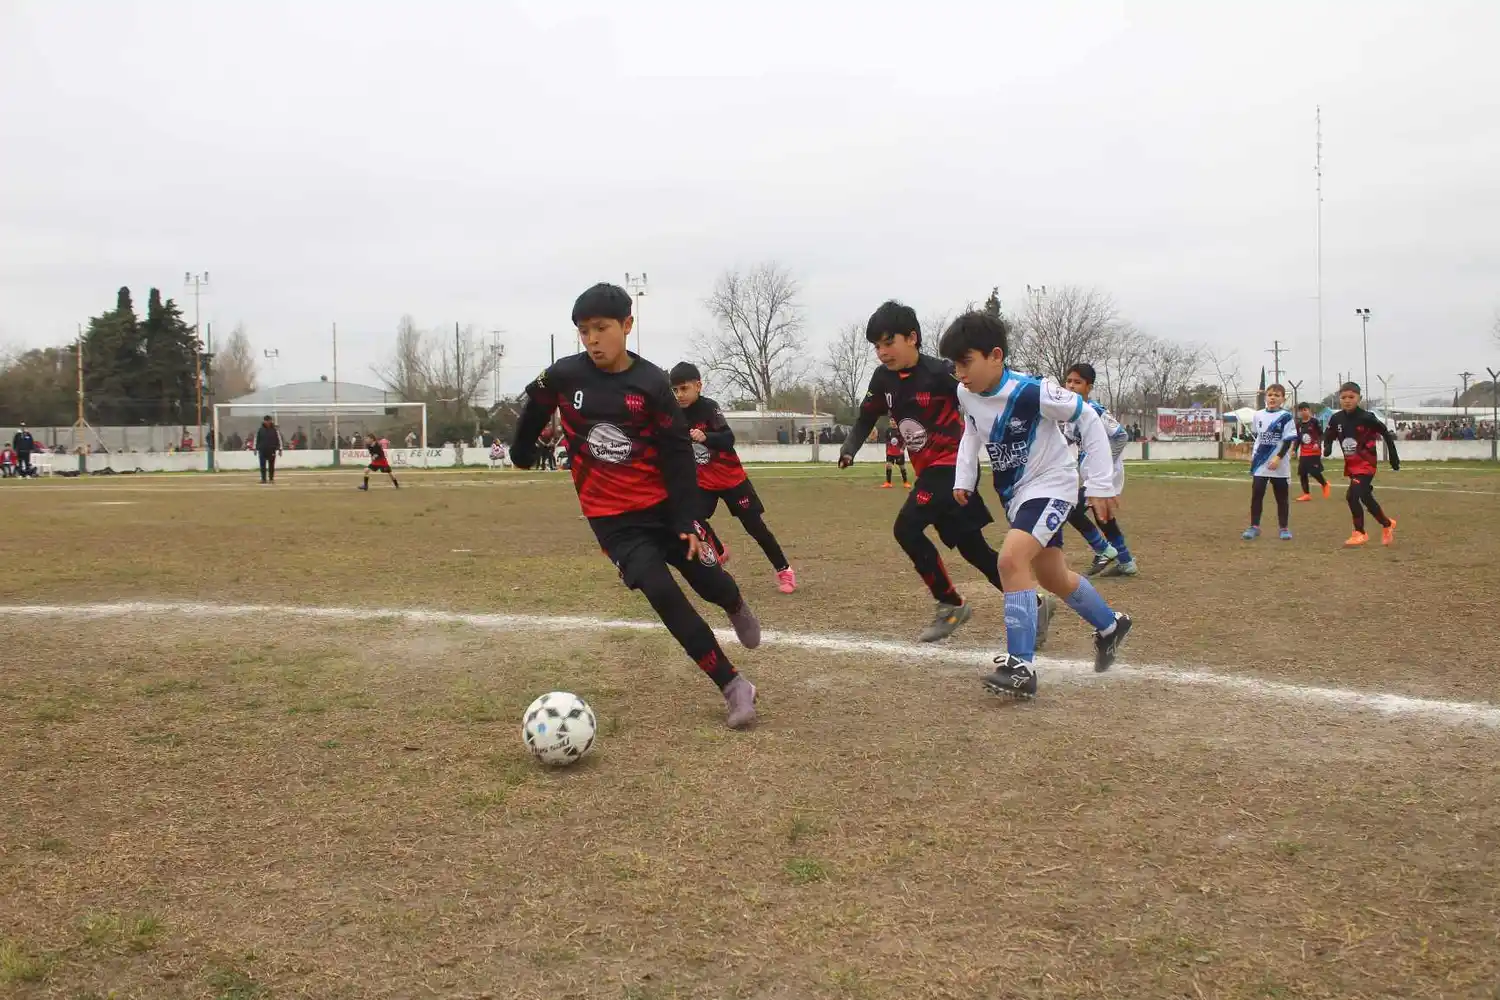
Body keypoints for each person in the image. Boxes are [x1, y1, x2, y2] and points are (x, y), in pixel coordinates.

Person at [510, 282, 761, 729]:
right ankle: (733, 684)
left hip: (665, 508)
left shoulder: (651, 384)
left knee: (709, 583)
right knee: (662, 593)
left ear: (627, 325)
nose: (591, 340)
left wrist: (687, 517)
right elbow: (535, 403)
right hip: (612, 521)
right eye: (583, 331)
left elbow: (678, 452)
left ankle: (735, 601)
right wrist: (523, 449)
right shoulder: (565, 376)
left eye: (601, 328)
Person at [940, 311, 1133, 698]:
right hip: (1017, 494)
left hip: (1053, 486)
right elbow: (971, 433)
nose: (960, 373)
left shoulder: (1032, 391)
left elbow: (1089, 420)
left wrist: (1098, 482)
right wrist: (964, 477)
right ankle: (1111, 625)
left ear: (995, 355)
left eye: (966, 362)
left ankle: (1021, 667)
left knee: (1010, 560)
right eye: (954, 365)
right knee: (1052, 577)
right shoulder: (966, 393)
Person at [837, 300, 1006, 644]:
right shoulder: (883, 379)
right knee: (974, 549)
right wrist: (849, 448)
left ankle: (950, 605)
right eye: (877, 346)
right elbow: (867, 416)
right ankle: (1031, 602)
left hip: (953, 469)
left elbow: (983, 394)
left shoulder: (942, 372)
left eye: (888, 342)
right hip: (929, 471)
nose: (882, 352)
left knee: (906, 528)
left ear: (912, 337)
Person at [669, 362, 797, 594]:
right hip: (704, 483)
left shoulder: (709, 408)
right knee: (691, 518)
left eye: (684, 388)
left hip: (732, 480)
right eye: (675, 390)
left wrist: (705, 436)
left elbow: (727, 439)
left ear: (698, 386)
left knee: (756, 528)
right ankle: (719, 550)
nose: (679, 395)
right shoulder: (675, 415)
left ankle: (784, 570)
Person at [1061, 364, 1137, 576]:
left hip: (1104, 474)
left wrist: (1105, 463)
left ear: (1089, 387)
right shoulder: (1070, 413)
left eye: (1077, 382)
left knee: (1070, 508)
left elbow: (1121, 436)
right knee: (1104, 518)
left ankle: (1103, 550)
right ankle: (1126, 561)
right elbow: (1069, 439)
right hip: (1091, 473)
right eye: (1069, 381)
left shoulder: (1096, 411)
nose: (1071, 386)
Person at [1323, 382, 1400, 547]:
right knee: (1365, 496)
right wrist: (1327, 446)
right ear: (1339, 399)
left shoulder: (1367, 418)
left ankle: (1360, 533)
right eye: (1343, 397)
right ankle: (1387, 524)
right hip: (1351, 465)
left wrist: (1393, 457)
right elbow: (1328, 434)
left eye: (1351, 397)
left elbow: (1385, 432)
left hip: (1366, 464)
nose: (1347, 400)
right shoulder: (1336, 418)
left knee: (1352, 496)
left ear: (1359, 398)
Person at [1243, 384, 1298, 541]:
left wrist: (1278, 457)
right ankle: (1254, 526)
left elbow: (1288, 440)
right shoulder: (1258, 415)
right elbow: (1258, 438)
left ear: (1283, 398)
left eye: (1277, 395)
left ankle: (1284, 528)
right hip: (1261, 462)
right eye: (1270, 395)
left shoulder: (1286, 417)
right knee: (1257, 494)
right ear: (1266, 397)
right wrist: (1252, 456)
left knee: (1281, 497)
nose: (1273, 397)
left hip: (1279, 464)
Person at [1294, 402, 1331, 502]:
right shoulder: (1299, 424)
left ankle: (1325, 484)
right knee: (1302, 473)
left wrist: (1318, 444)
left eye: (1305, 410)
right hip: (1304, 452)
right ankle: (1306, 494)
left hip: (1314, 452)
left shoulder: (1314, 422)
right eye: (1301, 410)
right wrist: (1294, 449)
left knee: (1314, 471)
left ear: (1309, 410)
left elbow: (1321, 435)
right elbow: (1298, 438)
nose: (1303, 412)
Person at [254, 415, 283, 484]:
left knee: (271, 466)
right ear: (264, 421)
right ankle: (263, 479)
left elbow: (279, 440)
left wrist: (280, 449)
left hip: (271, 450)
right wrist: (255, 448)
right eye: (266, 420)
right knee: (262, 466)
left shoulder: (275, 430)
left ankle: (271, 479)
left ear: (271, 421)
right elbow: (256, 439)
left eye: (269, 420)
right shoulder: (260, 430)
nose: (268, 422)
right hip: (262, 450)